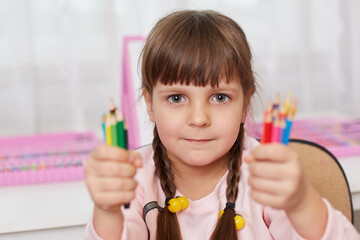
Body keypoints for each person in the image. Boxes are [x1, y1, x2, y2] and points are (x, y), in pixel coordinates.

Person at [85, 10, 359, 240]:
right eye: (177, 98)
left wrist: (301, 202)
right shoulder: (135, 178)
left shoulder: (264, 177)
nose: (199, 118)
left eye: (220, 97)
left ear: (244, 105)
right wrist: (107, 210)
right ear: (149, 104)